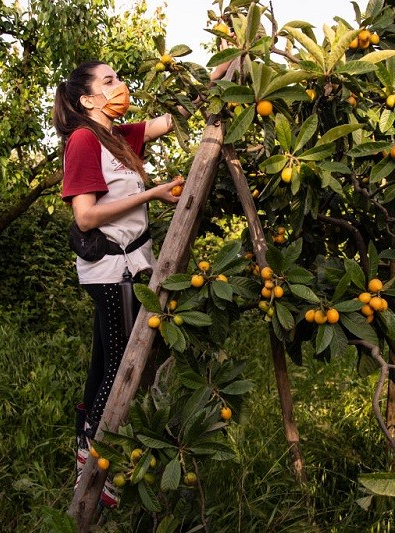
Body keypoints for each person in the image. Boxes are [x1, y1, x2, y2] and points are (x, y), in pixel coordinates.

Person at [52, 58, 228, 508]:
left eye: (119, 78)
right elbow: (86, 215)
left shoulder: (116, 137)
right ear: (87, 99)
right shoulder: (83, 141)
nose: (120, 86)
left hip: (131, 267)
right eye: (108, 81)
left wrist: (215, 74)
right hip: (113, 272)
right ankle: (99, 468)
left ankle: (83, 456)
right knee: (118, 367)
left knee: (101, 366)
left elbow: (173, 119)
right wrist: (150, 193)